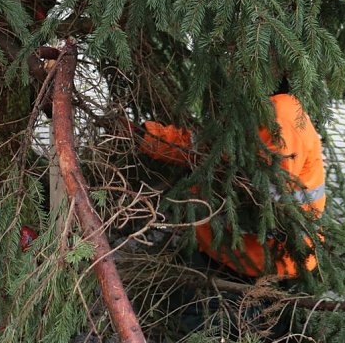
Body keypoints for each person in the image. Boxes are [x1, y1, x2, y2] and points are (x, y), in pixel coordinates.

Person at [134, 79, 326, 279]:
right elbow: (208, 148)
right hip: (232, 251)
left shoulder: (277, 117)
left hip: (253, 263)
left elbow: (262, 205)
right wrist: (148, 137)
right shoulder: (257, 109)